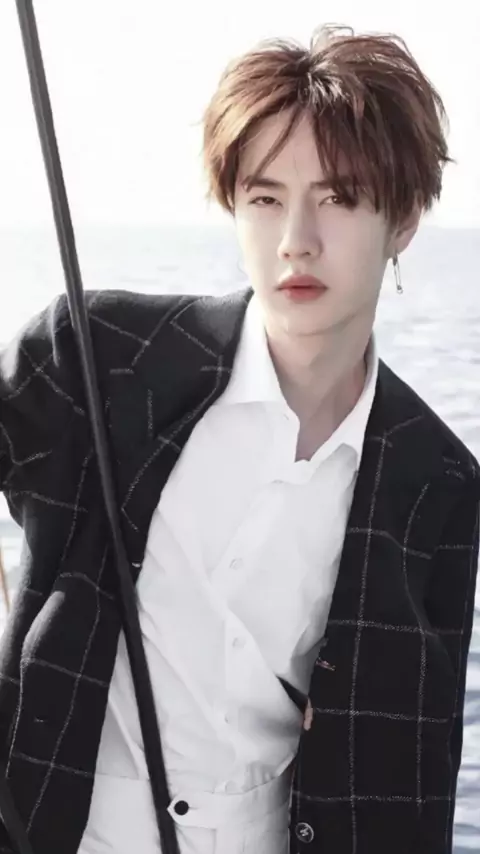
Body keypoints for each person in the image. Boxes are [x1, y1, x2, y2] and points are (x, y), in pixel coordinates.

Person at [0, 23, 478, 854]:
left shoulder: (436, 480)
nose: (297, 238)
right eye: (265, 198)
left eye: (339, 198)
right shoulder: (103, 357)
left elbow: (413, 770)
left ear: (403, 219)